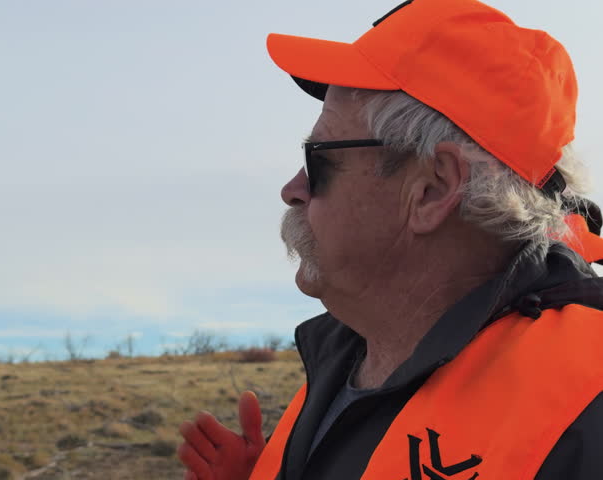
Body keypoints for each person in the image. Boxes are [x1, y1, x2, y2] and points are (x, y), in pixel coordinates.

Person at [177, 0, 603, 478]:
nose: (292, 190)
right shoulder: (351, 352)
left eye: (318, 159)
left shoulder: (589, 411)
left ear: (432, 188)